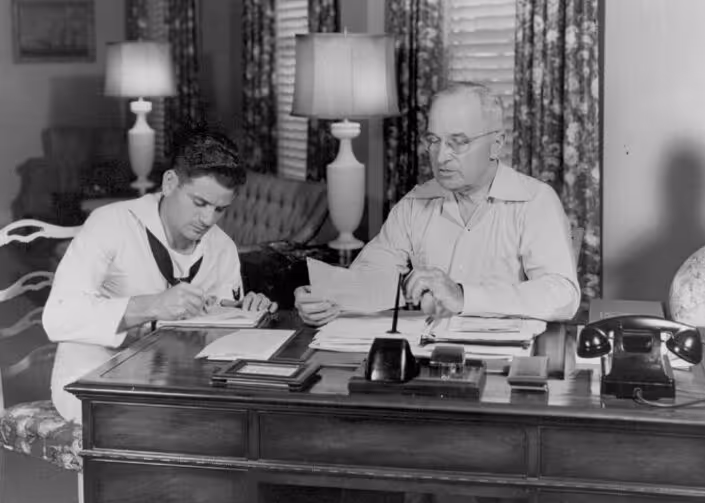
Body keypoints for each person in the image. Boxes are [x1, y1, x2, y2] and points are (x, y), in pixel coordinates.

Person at [295, 81, 580, 326]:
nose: (441, 157)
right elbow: (370, 274)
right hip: (425, 362)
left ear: (496, 144)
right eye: (434, 140)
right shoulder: (415, 203)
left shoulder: (535, 201)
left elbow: (562, 295)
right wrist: (329, 298)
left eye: (458, 142)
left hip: (504, 371)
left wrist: (462, 295)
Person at [43, 128, 278, 423]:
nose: (208, 220)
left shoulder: (223, 248)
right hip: (92, 380)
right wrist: (153, 305)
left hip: (176, 381)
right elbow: (57, 317)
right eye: (200, 203)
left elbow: (218, 331)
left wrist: (244, 310)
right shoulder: (110, 224)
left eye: (220, 209)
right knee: (173, 428)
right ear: (170, 183)